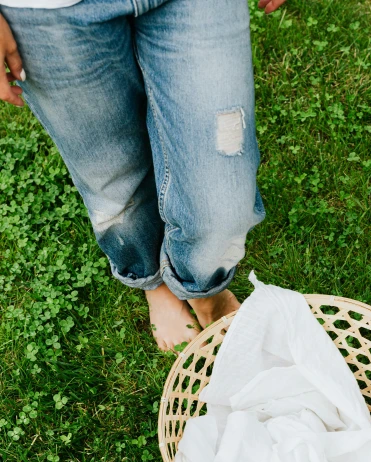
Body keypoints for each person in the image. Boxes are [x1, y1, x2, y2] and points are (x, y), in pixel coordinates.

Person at [0, 0, 287, 350]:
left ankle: (201, 286)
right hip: (46, 12)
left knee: (221, 198)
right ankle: (154, 280)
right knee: (112, 173)